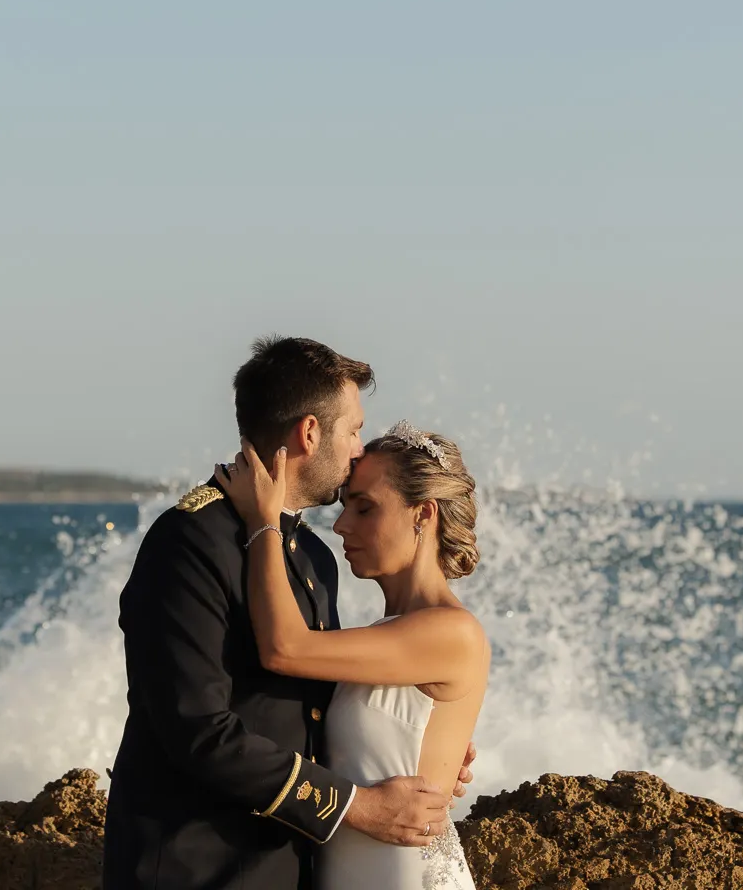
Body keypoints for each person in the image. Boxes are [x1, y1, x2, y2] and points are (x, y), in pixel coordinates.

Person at [104, 337, 474, 890]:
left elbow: (309, 705)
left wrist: (424, 740)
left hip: (290, 867)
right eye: (352, 430)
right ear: (309, 432)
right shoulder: (192, 540)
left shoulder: (314, 557)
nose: (357, 450)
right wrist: (356, 805)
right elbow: (197, 728)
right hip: (197, 868)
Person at [217, 421, 486, 890]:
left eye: (365, 508)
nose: (341, 525)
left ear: (423, 514)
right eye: (345, 507)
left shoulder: (451, 632)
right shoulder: (382, 637)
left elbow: (284, 647)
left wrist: (264, 521)